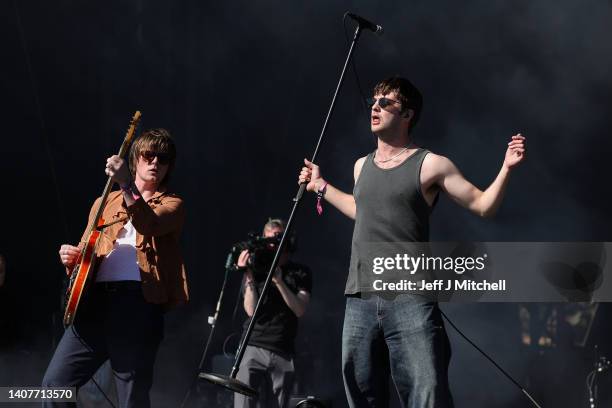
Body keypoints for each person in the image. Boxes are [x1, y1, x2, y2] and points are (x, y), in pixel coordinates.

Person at [298, 77, 526, 407]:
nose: (375, 107)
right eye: (373, 101)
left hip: (409, 297)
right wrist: (320, 186)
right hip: (360, 295)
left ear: (407, 115)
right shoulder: (361, 166)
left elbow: (482, 204)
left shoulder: (431, 164)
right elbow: (362, 211)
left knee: (426, 392)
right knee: (361, 391)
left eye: (386, 102)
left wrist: (505, 168)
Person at [42, 128, 188, 408]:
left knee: (131, 399)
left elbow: (149, 224)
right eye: (149, 155)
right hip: (94, 303)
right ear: (136, 158)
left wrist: (126, 186)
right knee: (54, 385)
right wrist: (71, 259)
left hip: (137, 304)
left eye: (163, 158)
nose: (156, 162)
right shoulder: (103, 202)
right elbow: (85, 253)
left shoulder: (173, 203)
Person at [234, 219, 312, 408]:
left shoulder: (300, 272)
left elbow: (300, 309)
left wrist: (279, 281)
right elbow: (251, 310)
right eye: (268, 240)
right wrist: (249, 276)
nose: (272, 245)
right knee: (243, 403)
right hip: (253, 345)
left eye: (277, 239)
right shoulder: (257, 268)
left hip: (282, 348)